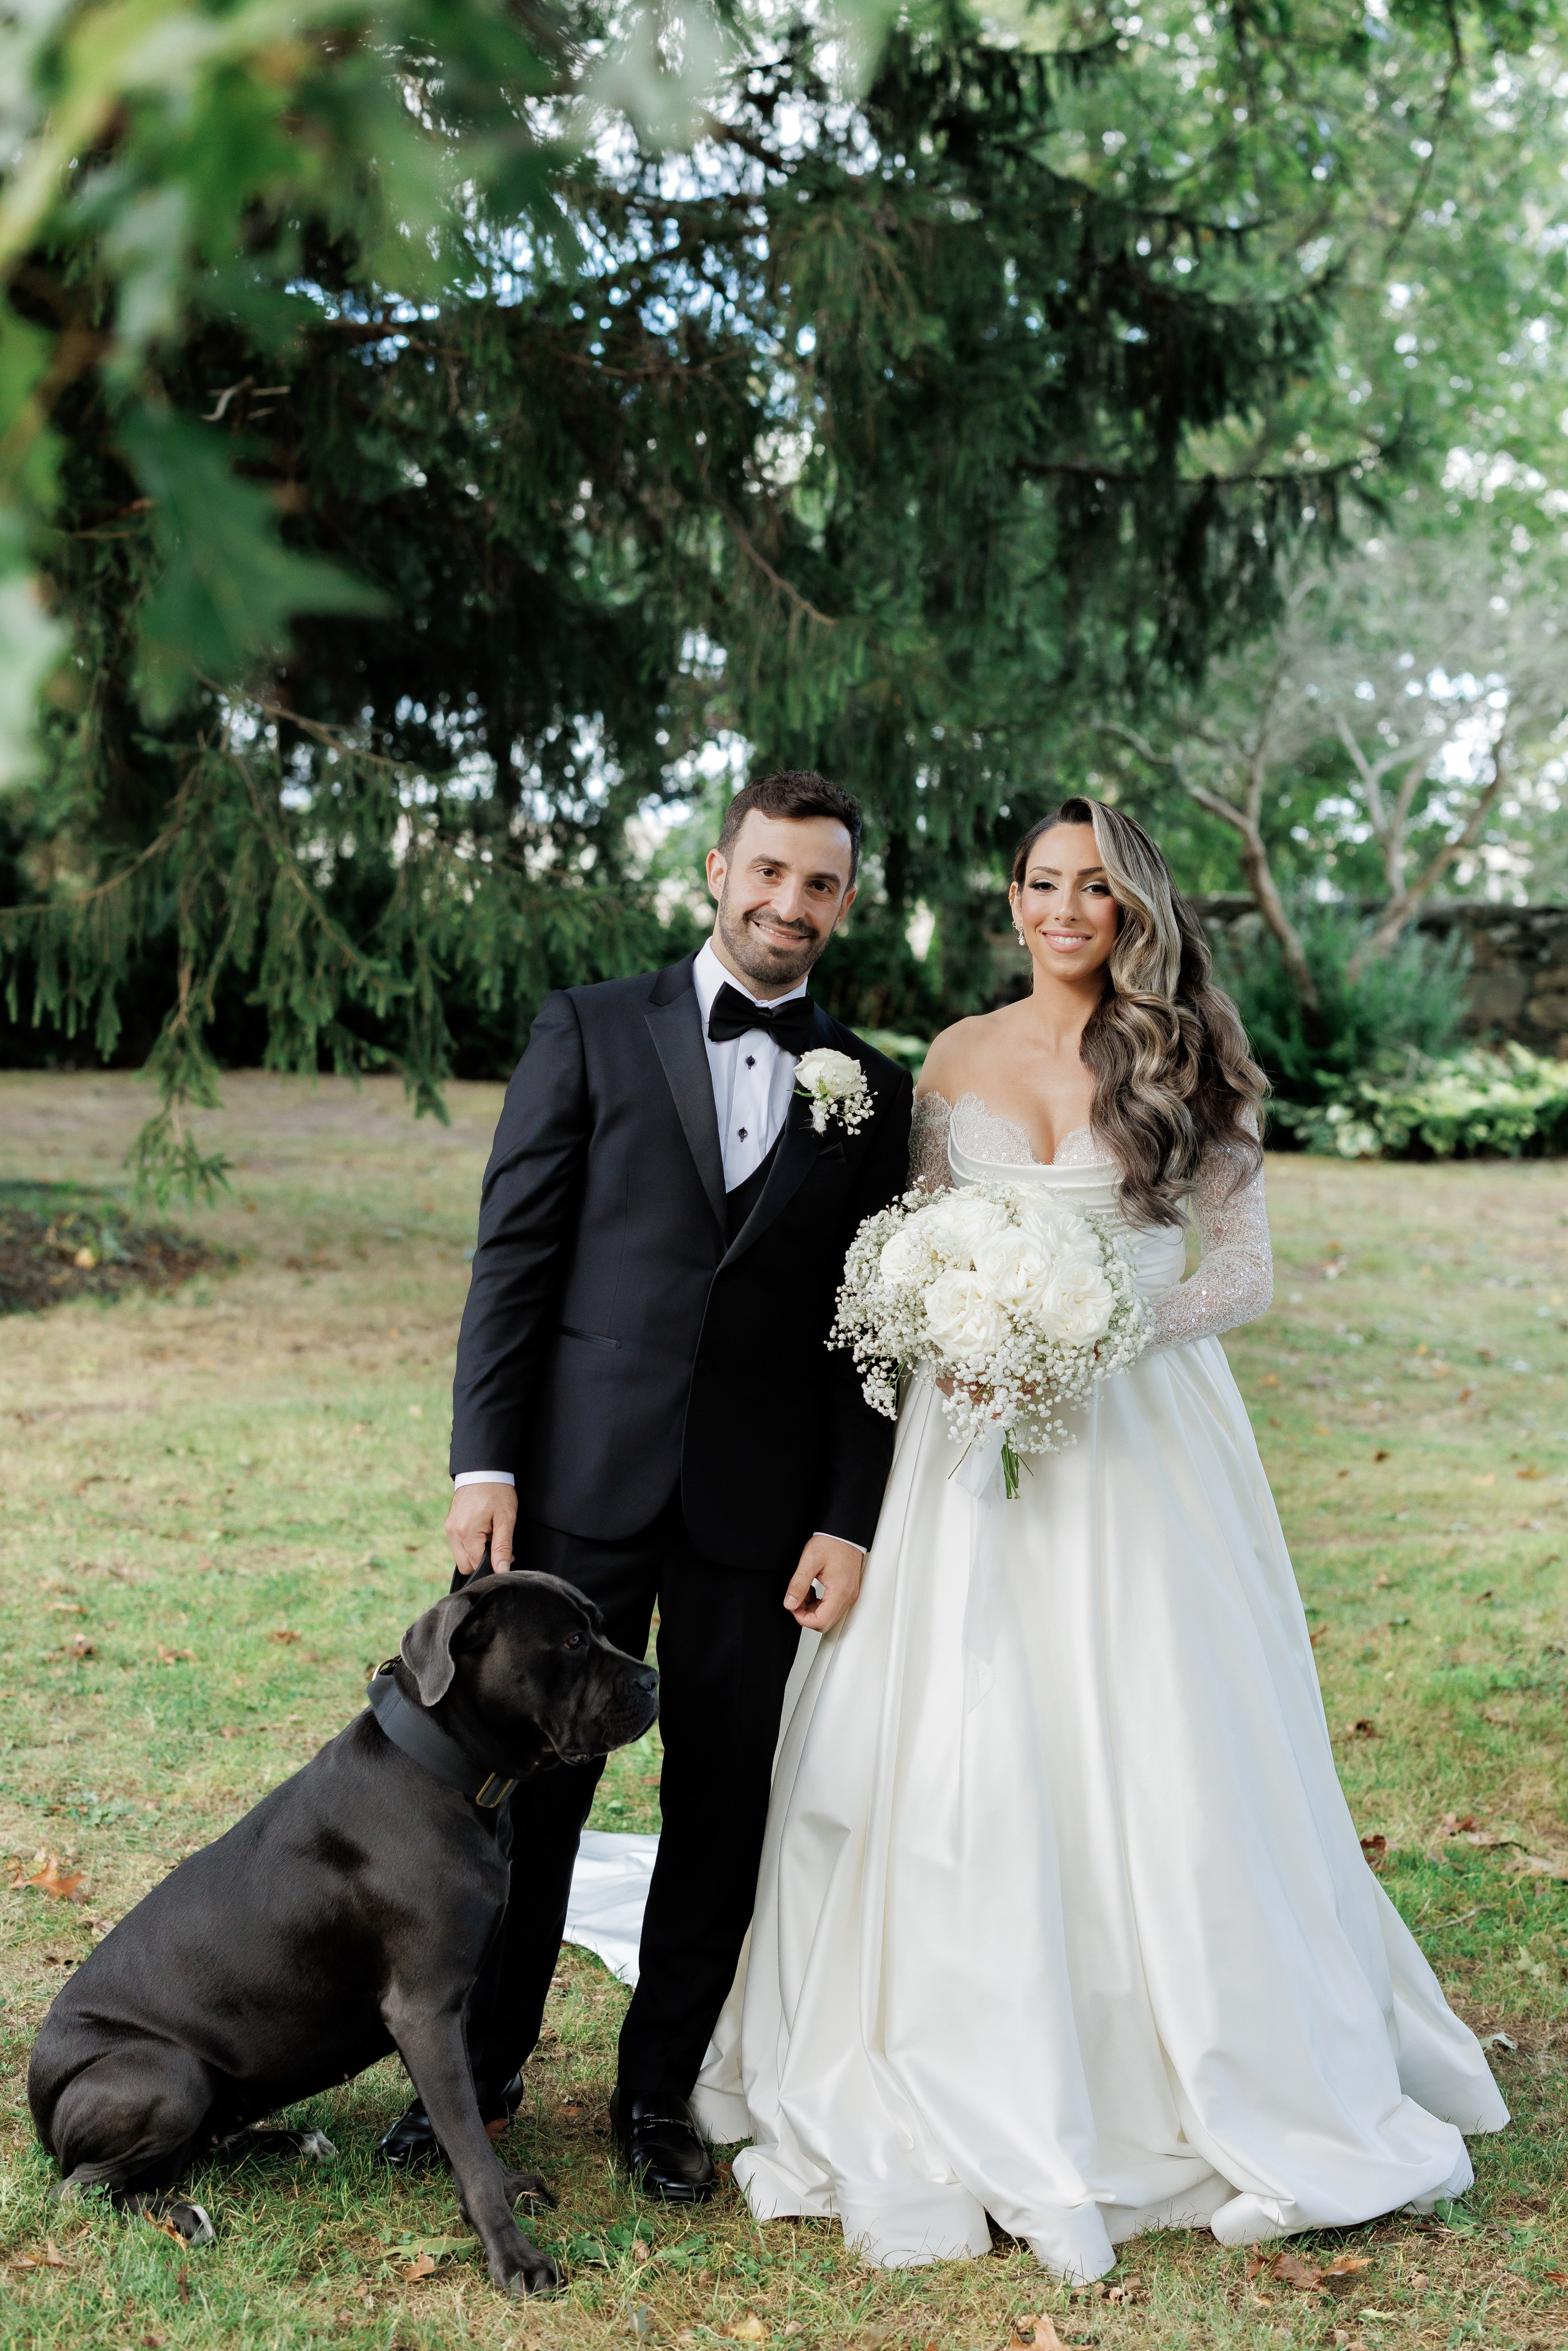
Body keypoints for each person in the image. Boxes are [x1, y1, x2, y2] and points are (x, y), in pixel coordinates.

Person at [694, 795, 1507, 2276]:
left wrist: (1095, 1327)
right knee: (957, 1733)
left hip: (1141, 1442)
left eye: (1096, 888)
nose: (1067, 909)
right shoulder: (950, 1059)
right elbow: (913, 1252)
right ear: (1010, 900)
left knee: (1164, 1737)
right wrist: (958, 1328)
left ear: (1133, 907)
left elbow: (1243, 1272)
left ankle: (1193, 2054)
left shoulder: (1187, 1053)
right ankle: (950, 2035)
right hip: (963, 1445)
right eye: (1042, 883)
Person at [378, 770, 913, 2203]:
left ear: (843, 904)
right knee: (516, 1793)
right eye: (768, 873)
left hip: (759, 1508)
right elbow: (513, 1262)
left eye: (818, 885)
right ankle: (476, 2075)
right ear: (715, 868)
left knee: (718, 1798)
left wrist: (847, 1516)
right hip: (571, 1492)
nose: (787, 905)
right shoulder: (591, 1026)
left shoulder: (872, 1090)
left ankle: (657, 2093)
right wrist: (481, 1463)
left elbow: (875, 1333)